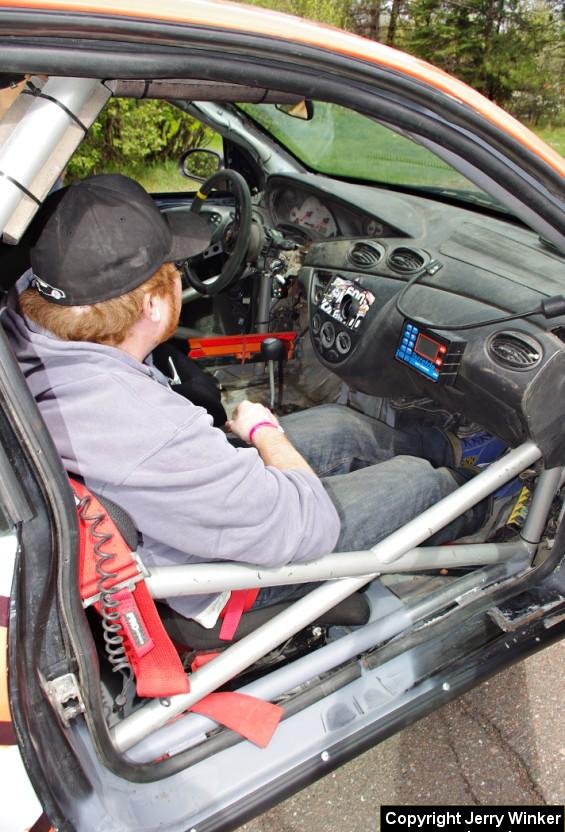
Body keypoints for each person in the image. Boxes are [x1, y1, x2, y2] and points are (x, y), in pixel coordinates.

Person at [1, 174, 486, 628]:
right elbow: (306, 524)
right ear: (150, 305)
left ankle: (450, 446)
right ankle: (483, 498)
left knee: (342, 426)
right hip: (219, 582)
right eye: (173, 268)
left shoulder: (28, 324)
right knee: (418, 483)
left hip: (164, 509)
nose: (179, 275)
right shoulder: (143, 424)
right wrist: (265, 434)